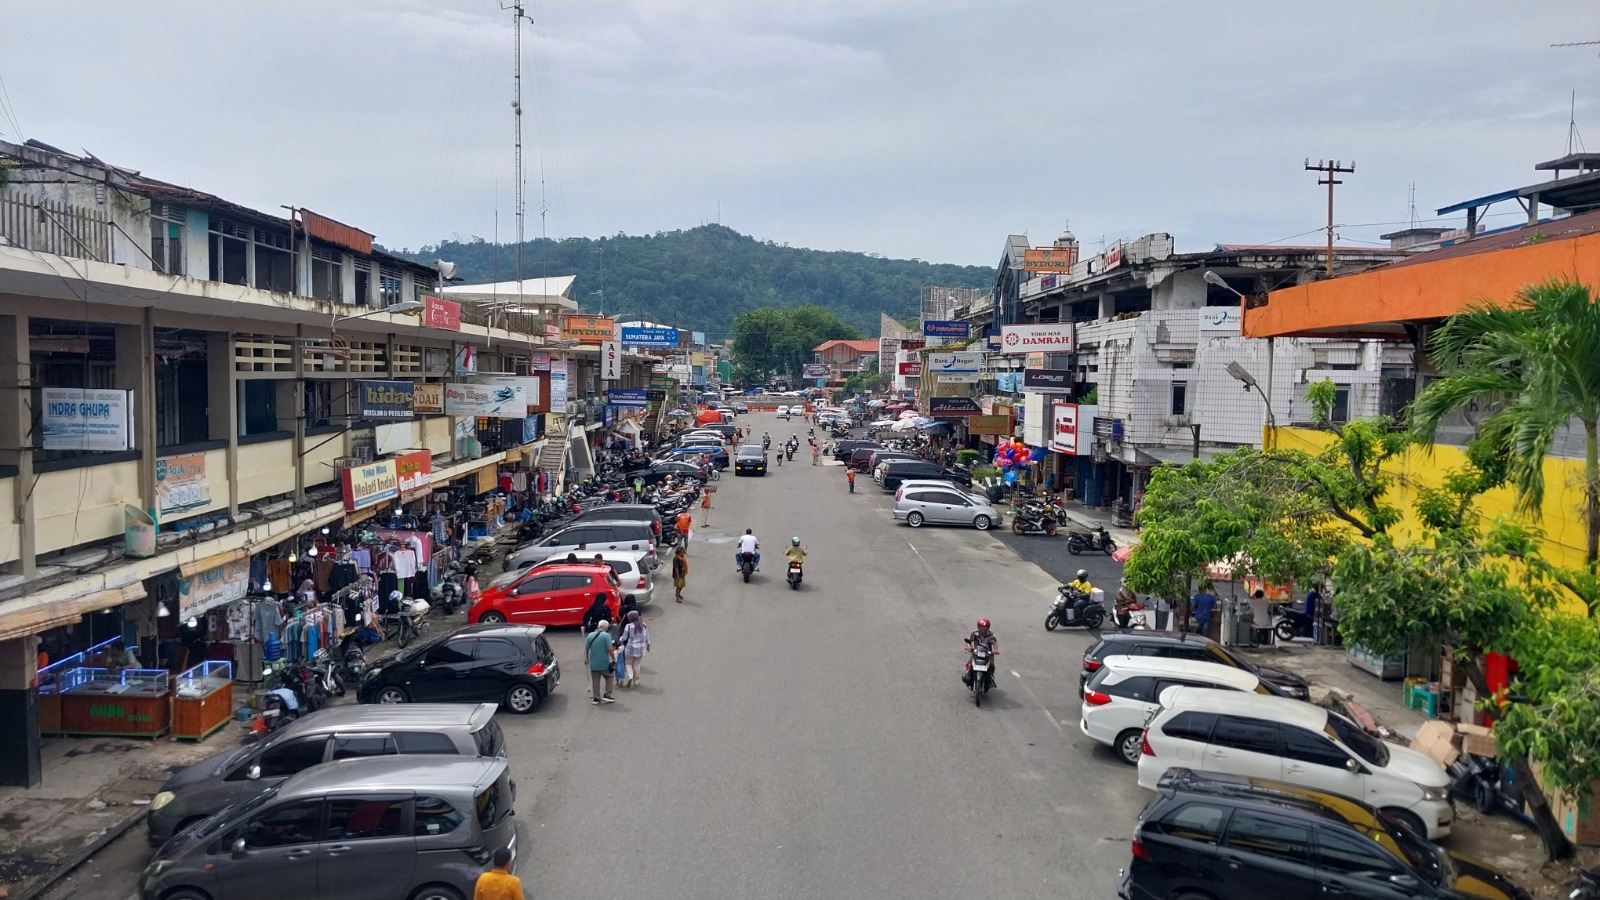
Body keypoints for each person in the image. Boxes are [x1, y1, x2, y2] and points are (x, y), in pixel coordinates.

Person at [586, 620, 616, 705]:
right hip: (604, 662)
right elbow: (610, 649)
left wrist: (586, 659)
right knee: (610, 676)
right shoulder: (606, 636)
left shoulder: (590, 635)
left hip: (593, 663)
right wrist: (613, 659)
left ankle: (596, 698)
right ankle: (607, 695)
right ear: (606, 628)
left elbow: (586, 648)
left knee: (595, 680)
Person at [963, 618, 998, 686]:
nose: (983, 629)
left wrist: (995, 650)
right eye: (981, 628)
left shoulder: (991, 635)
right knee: (969, 664)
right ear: (978, 627)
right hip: (976, 653)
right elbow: (969, 641)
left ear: (987, 628)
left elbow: (995, 643)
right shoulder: (974, 633)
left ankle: (990, 679)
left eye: (985, 628)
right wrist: (969, 647)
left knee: (992, 666)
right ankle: (968, 677)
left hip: (987, 654)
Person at [619, 610, 650, 687]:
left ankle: (630, 676)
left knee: (628, 663)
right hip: (641, 649)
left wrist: (620, 639)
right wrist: (648, 645)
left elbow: (624, 637)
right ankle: (636, 680)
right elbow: (647, 637)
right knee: (637, 664)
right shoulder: (644, 626)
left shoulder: (628, 626)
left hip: (630, 648)